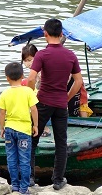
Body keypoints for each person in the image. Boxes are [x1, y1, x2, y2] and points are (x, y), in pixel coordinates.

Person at [27, 18, 84, 191]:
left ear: (45, 34)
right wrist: (66, 98)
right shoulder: (70, 55)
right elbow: (78, 81)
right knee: (61, 142)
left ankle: (29, 177)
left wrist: (30, 98)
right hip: (61, 104)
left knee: (32, 139)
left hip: (43, 101)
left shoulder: (42, 55)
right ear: (61, 34)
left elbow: (30, 79)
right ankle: (58, 180)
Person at [0, 62, 38, 195]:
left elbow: (2, 112)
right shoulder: (28, 91)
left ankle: (14, 185)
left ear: (7, 77)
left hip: (9, 129)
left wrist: (1, 128)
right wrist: (35, 125)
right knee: (24, 159)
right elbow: (33, 109)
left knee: (11, 158)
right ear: (22, 75)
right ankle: (24, 188)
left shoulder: (5, 93)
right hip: (24, 131)